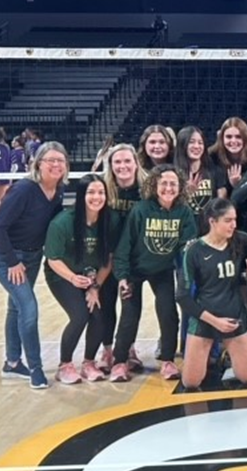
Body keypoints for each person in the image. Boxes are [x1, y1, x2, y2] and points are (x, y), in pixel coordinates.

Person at [110, 164, 197, 382]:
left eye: (173, 184)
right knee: (130, 315)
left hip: (162, 270)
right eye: (164, 183)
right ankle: (120, 362)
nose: (168, 188)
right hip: (134, 270)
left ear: (180, 187)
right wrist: (122, 277)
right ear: (155, 185)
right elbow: (124, 246)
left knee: (168, 313)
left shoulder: (184, 212)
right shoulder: (140, 210)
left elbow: (188, 245)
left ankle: (167, 361)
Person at [0, 142, 67, 389]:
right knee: (28, 306)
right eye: (51, 160)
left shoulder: (59, 190)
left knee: (15, 307)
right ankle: (36, 368)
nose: (56, 165)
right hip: (6, 255)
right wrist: (12, 262)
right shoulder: (24, 189)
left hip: (33, 257)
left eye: (60, 160)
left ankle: (12, 362)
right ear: (38, 164)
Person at [176, 199, 247, 390]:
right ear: (212, 221)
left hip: (233, 318)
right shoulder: (194, 250)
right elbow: (182, 296)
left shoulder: (241, 240)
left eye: (235, 220)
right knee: (191, 382)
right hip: (205, 318)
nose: (234, 225)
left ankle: (227, 353)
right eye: (228, 220)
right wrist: (215, 321)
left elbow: (240, 278)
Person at [44, 174, 112, 384]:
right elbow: (53, 259)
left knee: (99, 314)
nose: (96, 197)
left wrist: (95, 287)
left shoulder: (108, 220)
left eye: (101, 192)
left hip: (91, 276)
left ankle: (88, 363)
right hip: (62, 274)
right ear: (81, 195)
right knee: (80, 315)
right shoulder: (63, 222)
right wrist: (73, 278)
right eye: (91, 192)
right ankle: (64, 365)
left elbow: (109, 259)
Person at [98, 144, 146, 372]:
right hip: (107, 258)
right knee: (106, 305)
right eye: (117, 162)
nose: (123, 166)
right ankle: (107, 350)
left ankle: (128, 348)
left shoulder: (145, 190)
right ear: (110, 165)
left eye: (127, 161)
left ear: (136, 163)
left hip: (134, 259)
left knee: (131, 307)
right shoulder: (104, 190)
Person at [174, 125, 227, 223]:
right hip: (184, 226)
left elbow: (221, 205)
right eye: (191, 142)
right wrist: (186, 194)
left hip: (208, 226)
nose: (197, 146)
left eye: (200, 143)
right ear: (182, 145)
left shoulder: (215, 171)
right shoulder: (173, 174)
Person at [209, 117, 247, 196]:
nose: (233, 141)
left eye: (238, 137)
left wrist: (239, 185)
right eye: (228, 137)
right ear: (222, 138)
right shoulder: (211, 157)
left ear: (246, 138)